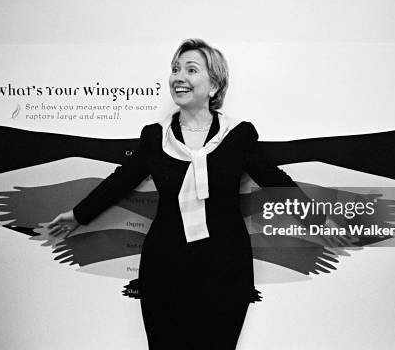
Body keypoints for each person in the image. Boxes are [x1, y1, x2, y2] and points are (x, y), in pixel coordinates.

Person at [48, 38, 298, 349]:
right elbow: (121, 180)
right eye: (175, 69)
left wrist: (319, 217)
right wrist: (78, 215)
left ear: (214, 86)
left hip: (225, 269)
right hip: (165, 267)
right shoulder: (155, 137)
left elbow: (275, 179)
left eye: (191, 69)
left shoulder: (239, 136)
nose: (178, 76)